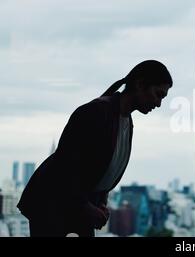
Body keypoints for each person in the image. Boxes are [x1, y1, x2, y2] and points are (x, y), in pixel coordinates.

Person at [17, 60, 172, 237]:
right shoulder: (96, 112)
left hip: (76, 203)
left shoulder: (125, 121)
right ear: (140, 84)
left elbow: (98, 167)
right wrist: (87, 206)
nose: (159, 103)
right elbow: (65, 167)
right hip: (54, 204)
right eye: (158, 94)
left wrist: (100, 201)